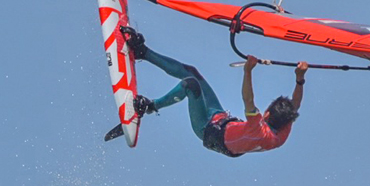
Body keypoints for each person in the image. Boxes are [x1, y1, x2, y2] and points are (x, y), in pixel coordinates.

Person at [121, 27, 308, 157]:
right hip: (220, 118)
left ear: (267, 114)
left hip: (208, 132)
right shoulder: (280, 135)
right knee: (192, 72)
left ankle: (149, 106)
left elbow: (248, 99)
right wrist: (300, 78)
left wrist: (248, 70)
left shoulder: (260, 128)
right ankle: (142, 52)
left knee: (191, 85)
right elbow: (295, 105)